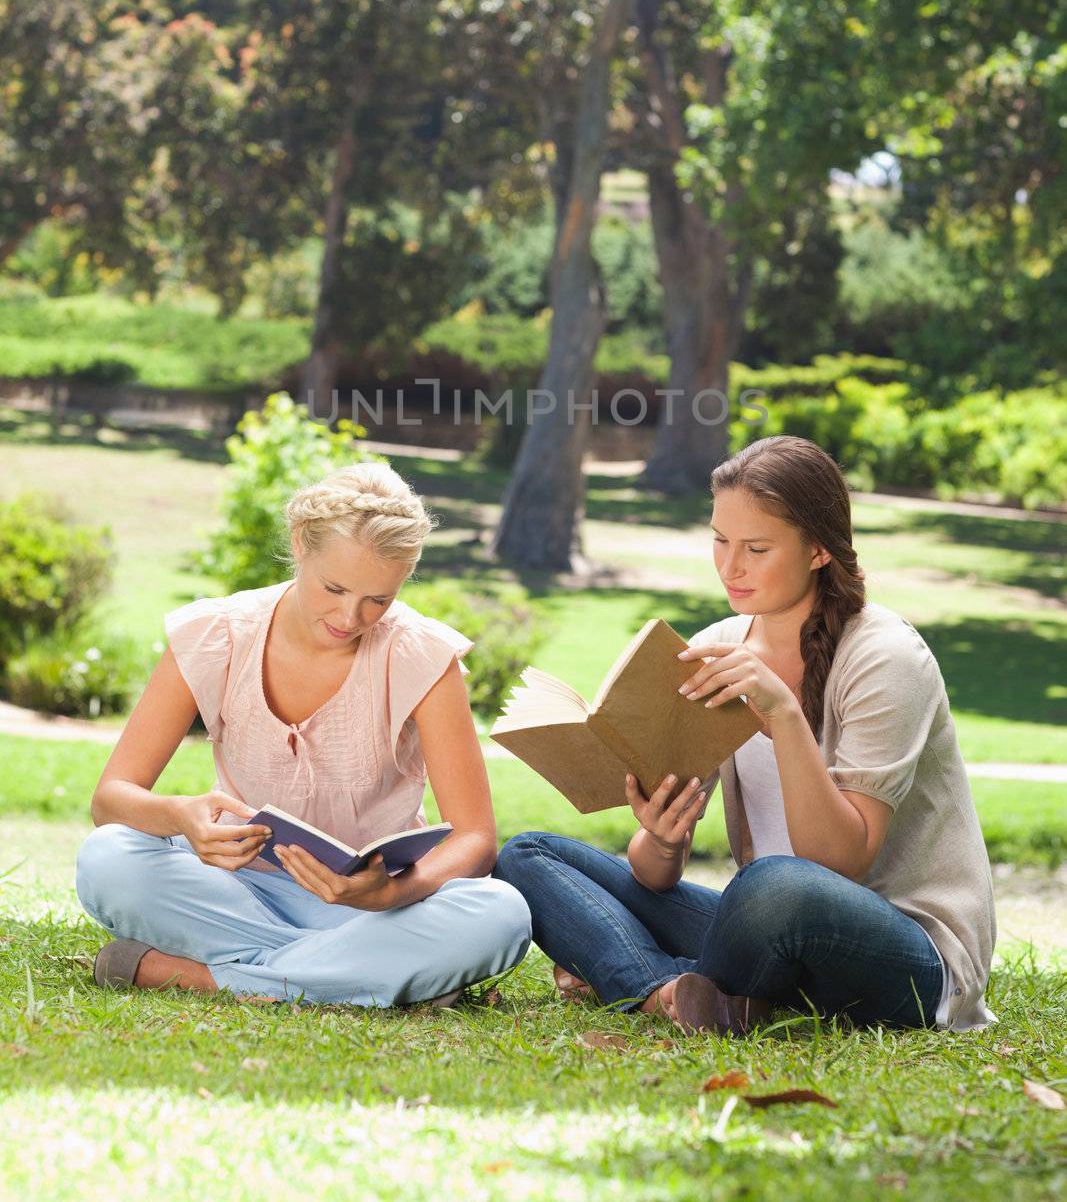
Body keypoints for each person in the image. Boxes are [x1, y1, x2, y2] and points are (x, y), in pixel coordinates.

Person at [494, 434, 996, 1036]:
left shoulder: (884, 657)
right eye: (720, 540)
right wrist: (661, 837)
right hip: (767, 930)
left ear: (817, 550)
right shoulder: (718, 649)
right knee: (529, 855)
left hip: (908, 953)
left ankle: (637, 973)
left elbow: (837, 864)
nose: (731, 567)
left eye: (757, 548)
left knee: (771, 885)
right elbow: (656, 877)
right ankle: (671, 992)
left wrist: (784, 715)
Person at [76, 461, 531, 1007]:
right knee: (107, 857)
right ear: (299, 544)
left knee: (502, 914)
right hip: (240, 891)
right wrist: (181, 818)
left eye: (378, 600)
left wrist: (390, 893)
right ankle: (364, 975)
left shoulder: (422, 655)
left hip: (375, 904)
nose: (351, 616)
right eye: (334, 588)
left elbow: (476, 838)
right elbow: (111, 799)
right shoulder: (215, 635)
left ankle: (203, 976)